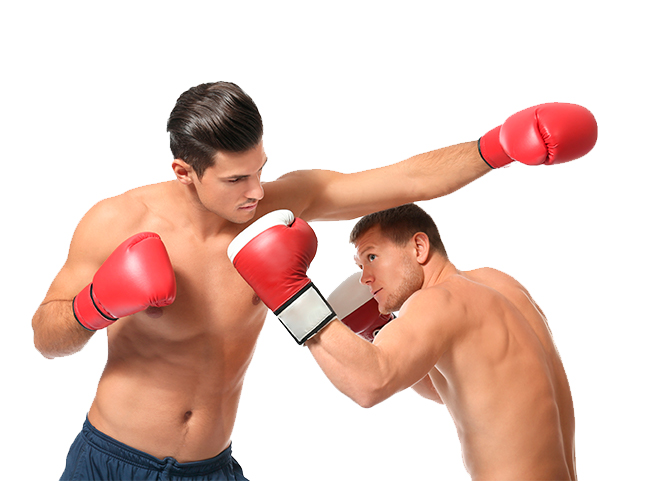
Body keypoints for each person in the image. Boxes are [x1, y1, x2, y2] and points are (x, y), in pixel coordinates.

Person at [32, 80, 595, 480]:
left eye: (260, 169)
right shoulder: (117, 221)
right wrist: (95, 303)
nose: (257, 192)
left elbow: (404, 181)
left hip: (211, 466)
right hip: (111, 460)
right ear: (185, 172)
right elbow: (46, 336)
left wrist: (497, 147)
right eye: (235, 179)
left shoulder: (278, 204)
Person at [229, 203, 578, 480]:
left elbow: (369, 384)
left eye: (372, 257)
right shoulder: (498, 284)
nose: (365, 278)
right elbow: (451, 389)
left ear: (419, 246)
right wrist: (380, 331)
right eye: (361, 265)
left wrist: (293, 297)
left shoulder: (436, 301)